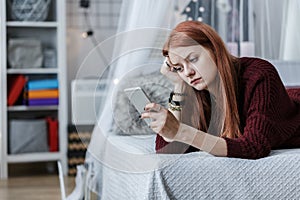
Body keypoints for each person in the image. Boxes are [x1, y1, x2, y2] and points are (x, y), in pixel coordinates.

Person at [141, 21, 300, 159]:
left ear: (215, 50)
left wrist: (182, 132)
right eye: (179, 68)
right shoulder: (191, 87)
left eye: (193, 59)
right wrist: (178, 86)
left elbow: (253, 147)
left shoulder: (259, 74)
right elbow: (167, 149)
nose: (188, 72)